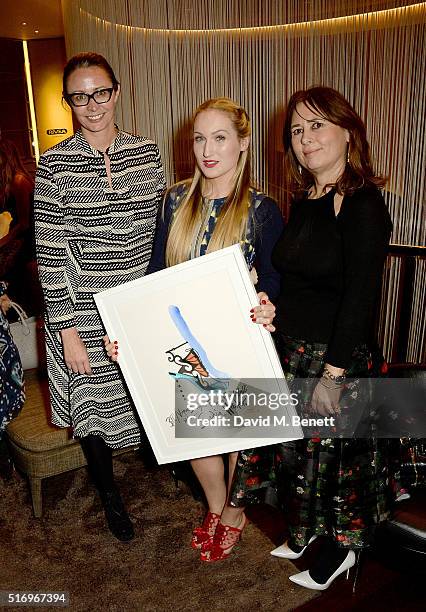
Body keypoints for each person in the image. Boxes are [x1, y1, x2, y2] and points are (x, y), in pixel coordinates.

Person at [106, 97, 283, 560]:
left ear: (243, 143)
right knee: (194, 432)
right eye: (200, 138)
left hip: (235, 337)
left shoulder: (261, 209)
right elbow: (151, 273)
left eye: (220, 138)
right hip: (178, 338)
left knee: (234, 435)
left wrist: (270, 302)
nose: (208, 149)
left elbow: (276, 274)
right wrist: (132, 329)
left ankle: (234, 513)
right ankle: (216, 505)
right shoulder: (175, 200)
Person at [230, 86, 393, 590]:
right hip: (292, 350)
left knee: (337, 466)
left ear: (349, 131)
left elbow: (360, 295)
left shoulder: (362, 203)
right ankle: (305, 533)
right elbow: (299, 280)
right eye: (297, 131)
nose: (305, 138)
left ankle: (342, 550)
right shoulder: (304, 201)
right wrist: (271, 307)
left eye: (316, 125)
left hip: (334, 357)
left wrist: (334, 373)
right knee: (301, 460)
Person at [34, 52, 165, 542]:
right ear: (68, 101)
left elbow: (159, 231)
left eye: (100, 93)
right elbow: (50, 253)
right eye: (79, 96)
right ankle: (109, 494)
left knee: (143, 395)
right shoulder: (54, 166)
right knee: (90, 404)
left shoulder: (147, 153)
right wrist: (67, 329)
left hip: (136, 303)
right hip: (80, 305)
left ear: (117, 91)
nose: (92, 105)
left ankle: (164, 465)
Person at [0, 140, 35, 307]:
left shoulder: (20, 182)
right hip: (18, 240)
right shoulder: (10, 182)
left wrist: (4, 241)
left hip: (26, 243)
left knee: (14, 281)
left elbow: (24, 224)